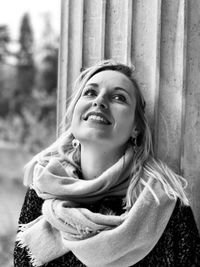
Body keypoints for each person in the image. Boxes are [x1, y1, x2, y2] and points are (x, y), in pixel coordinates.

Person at [14, 60, 200, 267]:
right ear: (74, 113)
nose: (99, 101)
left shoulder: (162, 201)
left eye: (119, 97)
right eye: (90, 93)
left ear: (135, 128)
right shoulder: (44, 188)